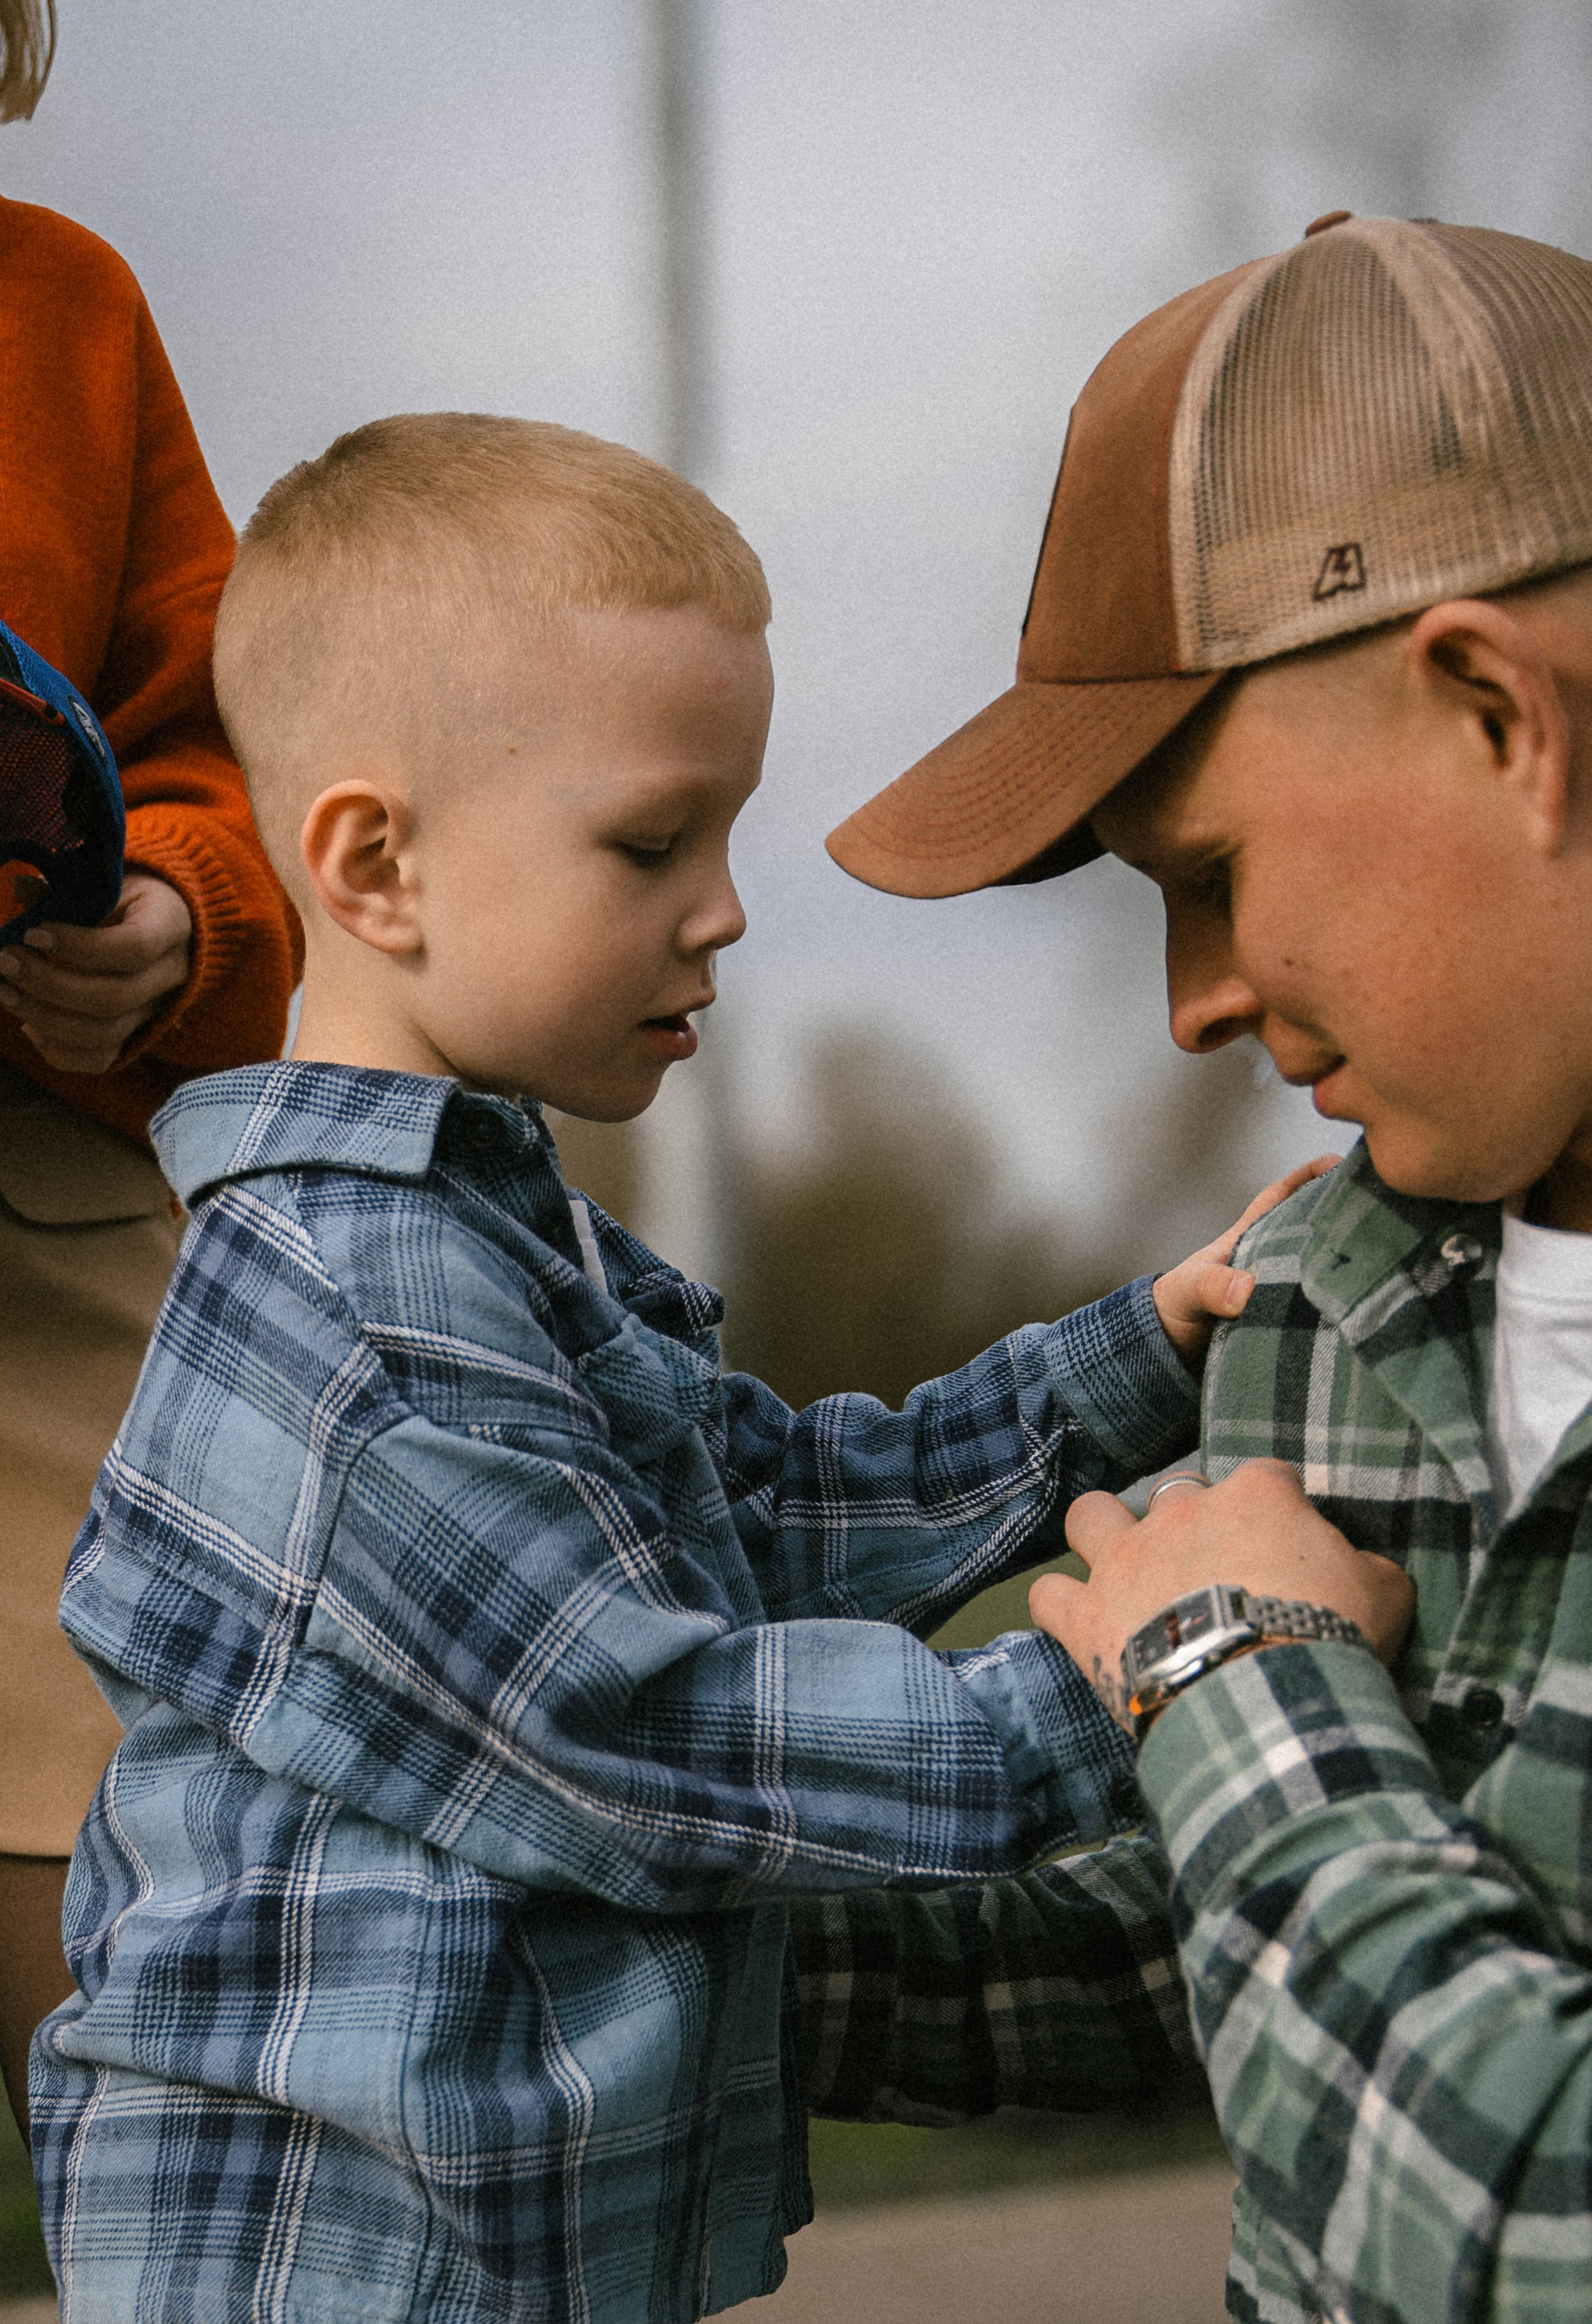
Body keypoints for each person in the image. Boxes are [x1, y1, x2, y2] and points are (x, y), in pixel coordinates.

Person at [31, 410, 1310, 2323]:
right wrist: (1121, 1677)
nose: (719, 909)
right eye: (652, 841)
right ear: (375, 865)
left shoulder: (482, 1219)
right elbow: (648, 1739)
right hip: (328, 2260)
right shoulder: (350, 1310)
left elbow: (764, 1503)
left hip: (496, 2248)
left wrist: (1132, 1357)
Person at [818, 214, 1592, 2320]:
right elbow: (1281, 1952)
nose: (1190, 1000)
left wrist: (1237, 1686)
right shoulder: (1338, 1285)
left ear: (1495, 709)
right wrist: (590, 1922)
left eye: (1207, 873)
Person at [0, 0, 300, 2140]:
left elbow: (222, 756)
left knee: (157, 1921)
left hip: (52, 1191)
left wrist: (179, 911)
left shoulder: (68, 309)